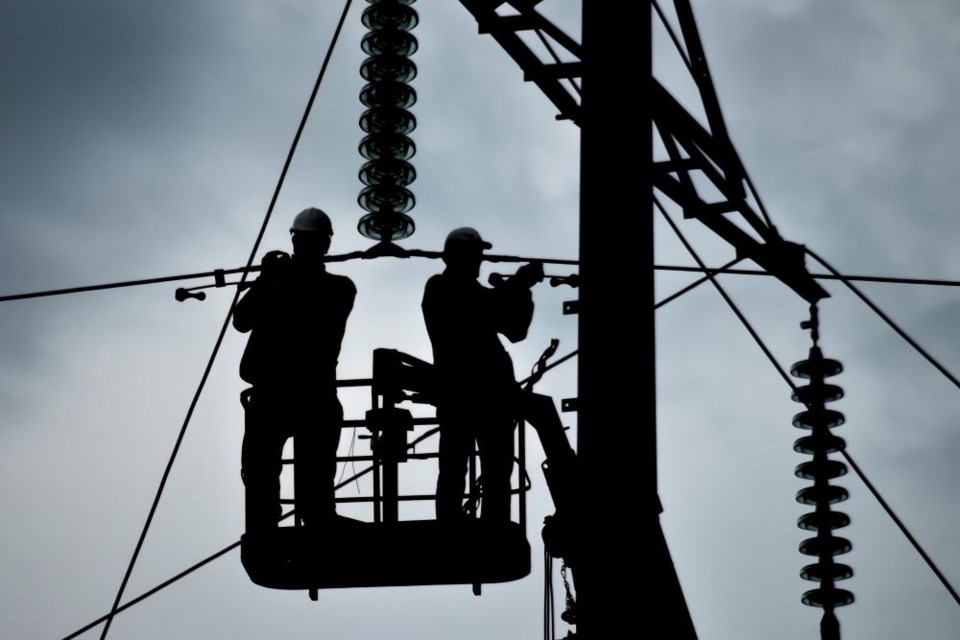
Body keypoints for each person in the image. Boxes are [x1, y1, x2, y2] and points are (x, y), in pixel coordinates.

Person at [233, 207, 357, 531]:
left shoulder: (337, 289)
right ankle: (280, 522)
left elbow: (303, 309)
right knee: (264, 471)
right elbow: (241, 320)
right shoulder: (280, 284)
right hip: (294, 396)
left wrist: (272, 281)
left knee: (289, 474)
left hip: (301, 396)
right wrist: (265, 282)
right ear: (326, 244)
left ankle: (300, 521)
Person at [421, 227, 543, 523]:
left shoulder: (471, 293)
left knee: (495, 470)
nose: (480, 261)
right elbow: (481, 309)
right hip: (467, 395)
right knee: (457, 468)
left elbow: (515, 330)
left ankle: (491, 525)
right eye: (476, 255)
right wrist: (516, 286)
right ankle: (456, 526)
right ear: (460, 258)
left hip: (485, 398)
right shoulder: (441, 288)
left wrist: (520, 290)